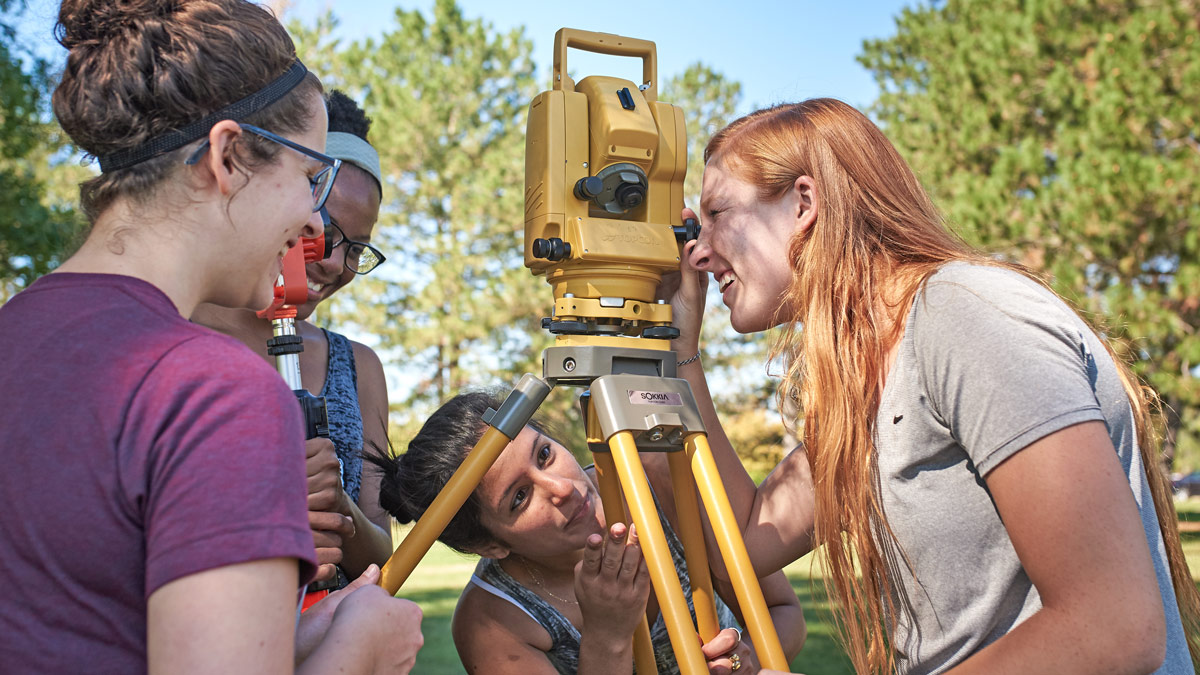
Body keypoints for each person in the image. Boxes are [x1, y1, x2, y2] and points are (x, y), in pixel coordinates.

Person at [664, 98, 1200, 674]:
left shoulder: (963, 316)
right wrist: (684, 354)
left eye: (716, 214)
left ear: (803, 203)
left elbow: (1112, 626)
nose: (699, 249)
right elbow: (743, 544)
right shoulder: (867, 381)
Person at [0, 1, 421, 672]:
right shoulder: (216, 390)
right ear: (228, 156)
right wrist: (359, 647)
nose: (314, 224)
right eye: (310, 179)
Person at [370, 392, 806, 675]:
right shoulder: (493, 619)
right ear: (490, 544)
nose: (561, 488)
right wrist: (608, 634)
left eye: (543, 454)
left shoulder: (657, 477)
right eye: (520, 498)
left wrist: (745, 659)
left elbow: (783, 610)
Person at [193, 89, 392, 589]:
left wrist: (335, 504)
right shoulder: (179, 331)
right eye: (326, 231)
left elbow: (383, 553)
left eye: (358, 249)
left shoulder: (357, 365)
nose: (334, 263)